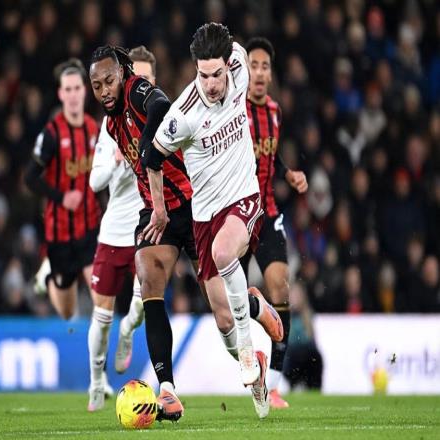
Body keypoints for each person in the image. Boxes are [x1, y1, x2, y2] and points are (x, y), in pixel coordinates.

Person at [89, 41, 281, 421]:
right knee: (148, 279)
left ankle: (254, 307)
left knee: (224, 318)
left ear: (122, 74)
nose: (105, 90)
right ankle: (167, 390)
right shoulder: (111, 125)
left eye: (109, 81)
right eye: (98, 86)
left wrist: (149, 148)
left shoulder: (137, 90)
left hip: (195, 207)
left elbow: (160, 105)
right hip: (156, 212)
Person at [148, 23, 283, 419]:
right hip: (204, 215)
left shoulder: (240, 63)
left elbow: (238, 47)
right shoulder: (183, 115)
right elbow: (152, 158)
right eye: (203, 75)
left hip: (244, 196)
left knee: (225, 253)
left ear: (228, 65)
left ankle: (248, 350)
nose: (210, 84)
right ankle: (254, 318)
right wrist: (159, 209)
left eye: (216, 74)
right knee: (223, 320)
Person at [87, 48, 157, 411]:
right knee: (101, 317)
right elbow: (94, 181)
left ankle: (128, 330)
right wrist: (118, 159)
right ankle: (96, 381)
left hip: (147, 225)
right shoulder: (110, 124)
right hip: (114, 230)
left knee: (142, 304)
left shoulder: (161, 116)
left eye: (145, 79)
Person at [244, 37, 308, 408]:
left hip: (267, 213)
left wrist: (287, 173)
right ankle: (254, 326)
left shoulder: (274, 111)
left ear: (271, 74)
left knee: (281, 288)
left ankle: (276, 385)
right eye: (253, 65)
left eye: (265, 66)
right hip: (236, 215)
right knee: (225, 305)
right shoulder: (233, 112)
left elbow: (271, 155)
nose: (259, 72)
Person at [25, 58, 100, 321]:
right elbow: (30, 178)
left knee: (101, 296)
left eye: (77, 88)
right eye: (67, 89)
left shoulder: (94, 129)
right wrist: (61, 197)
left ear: (84, 91)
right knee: (67, 312)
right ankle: (48, 278)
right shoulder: (51, 134)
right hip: (60, 233)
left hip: (90, 227)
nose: (73, 94)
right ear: (60, 94)